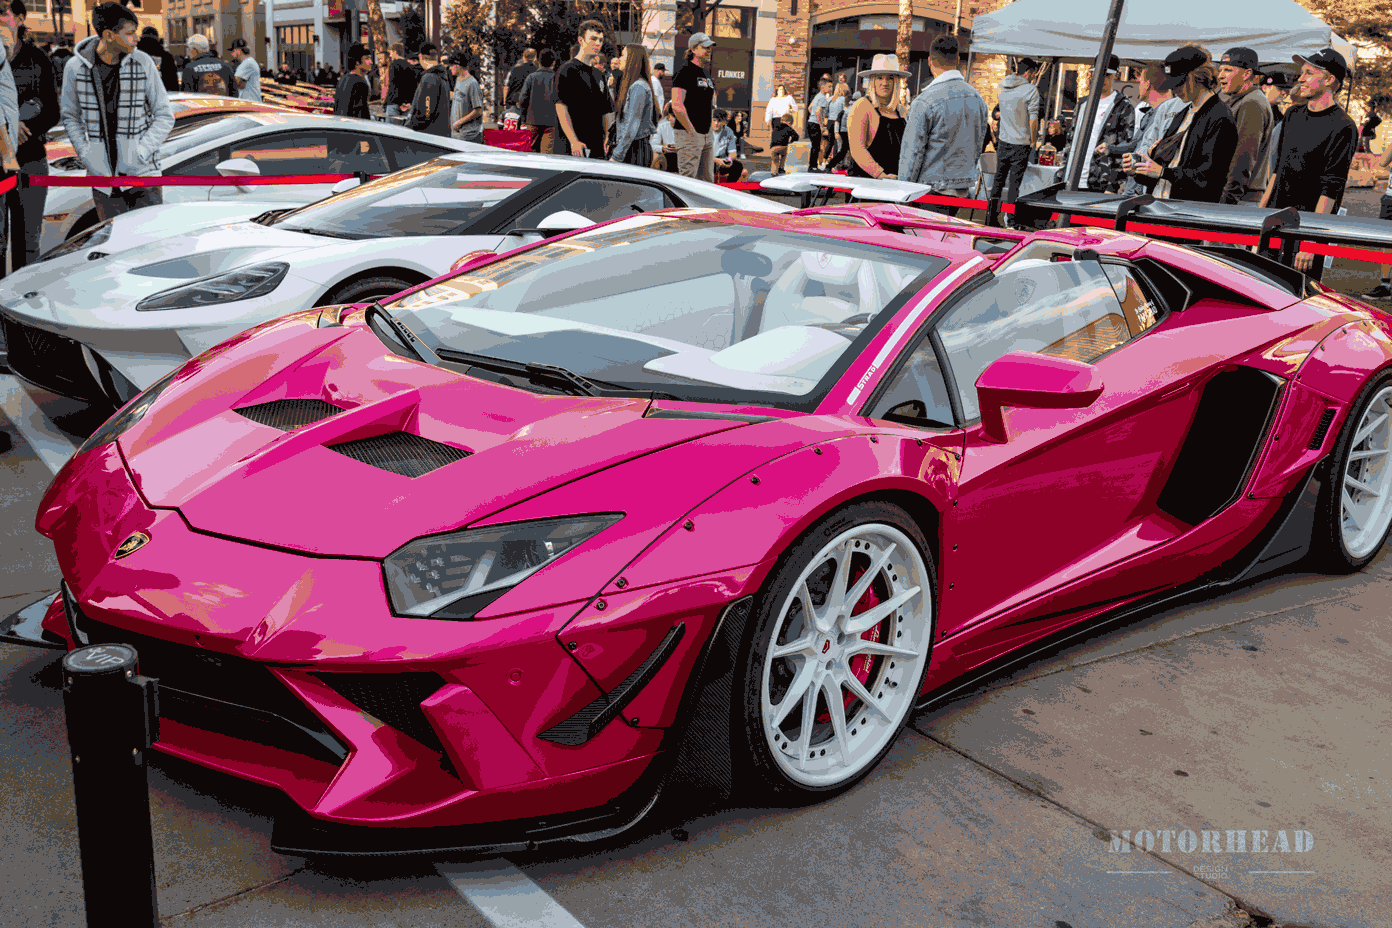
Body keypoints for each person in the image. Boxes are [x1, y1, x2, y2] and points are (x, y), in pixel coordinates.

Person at [59, 2, 173, 222]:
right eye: (129, 33)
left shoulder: (143, 62)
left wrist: (140, 153)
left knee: (149, 240)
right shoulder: (75, 67)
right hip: (103, 180)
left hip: (143, 177)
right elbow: (70, 116)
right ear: (109, 35)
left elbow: (164, 115)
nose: (136, 38)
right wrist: (86, 154)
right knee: (113, 242)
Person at [1259, 47, 1357, 280]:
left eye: (1309, 73)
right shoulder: (1292, 114)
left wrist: (1311, 240)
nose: (1300, 79)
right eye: (1301, 72)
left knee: (1297, 293)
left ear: (1330, 79)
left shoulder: (1344, 126)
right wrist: (1258, 218)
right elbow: (1277, 171)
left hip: (1306, 232)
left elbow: (1331, 189)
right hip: (1274, 223)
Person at [1131, 45, 1237, 203]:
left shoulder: (1219, 117)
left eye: (1178, 83)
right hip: (1162, 203)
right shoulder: (1184, 113)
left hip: (1188, 209)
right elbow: (1164, 167)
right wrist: (1138, 169)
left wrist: (1163, 172)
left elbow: (1209, 178)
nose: (1174, 90)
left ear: (1196, 77)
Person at [900, 34, 988, 210]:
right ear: (957, 59)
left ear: (930, 61)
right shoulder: (978, 99)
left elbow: (913, 153)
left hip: (930, 191)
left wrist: (902, 193)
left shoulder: (925, 101)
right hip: (962, 189)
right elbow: (978, 144)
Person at [3, 1, 55, 271]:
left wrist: (25, 128)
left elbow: (53, 110)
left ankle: (22, 293)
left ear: (20, 18)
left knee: (29, 242)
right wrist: (9, 126)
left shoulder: (38, 58)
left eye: (3, 12)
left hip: (31, 158)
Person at [1118, 63, 1189, 198]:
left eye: (1141, 81)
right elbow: (1140, 148)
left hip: (1158, 190)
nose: (1138, 85)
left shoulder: (1174, 110)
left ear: (1148, 84)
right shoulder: (1150, 113)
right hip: (1141, 186)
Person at [1216, 46, 1273, 203]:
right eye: (1220, 70)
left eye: (1227, 70)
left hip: (1240, 197)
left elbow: (1243, 157)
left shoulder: (1252, 103)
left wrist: (1228, 198)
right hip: (1236, 195)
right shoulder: (1238, 99)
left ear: (1247, 74)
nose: (1220, 76)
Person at [991, 56, 1040, 218]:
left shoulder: (1002, 85)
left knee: (998, 181)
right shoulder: (1031, 90)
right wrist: (1033, 140)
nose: (1033, 77)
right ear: (1028, 72)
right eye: (1033, 74)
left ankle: (990, 217)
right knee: (1014, 185)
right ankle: (1010, 220)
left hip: (1003, 141)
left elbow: (1000, 111)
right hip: (1021, 143)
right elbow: (1033, 119)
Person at [1078, 54, 1133, 192]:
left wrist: (1113, 185)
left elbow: (1125, 147)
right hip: (1074, 177)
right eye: (1098, 73)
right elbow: (1071, 140)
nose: (1101, 78)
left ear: (1115, 75)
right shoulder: (1083, 104)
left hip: (1102, 182)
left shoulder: (1123, 106)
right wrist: (1062, 172)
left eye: (1107, 75)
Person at [555, 20, 609, 157]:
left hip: (596, 147)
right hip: (572, 148)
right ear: (581, 40)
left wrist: (608, 137)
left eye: (601, 40)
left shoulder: (599, 75)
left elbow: (606, 110)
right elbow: (561, 107)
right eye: (593, 39)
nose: (598, 43)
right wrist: (573, 141)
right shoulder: (567, 70)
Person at [847, 54, 906, 179]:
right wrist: (881, 175)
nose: (885, 83)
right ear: (872, 80)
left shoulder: (901, 110)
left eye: (890, 78)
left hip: (896, 182)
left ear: (896, 82)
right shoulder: (862, 106)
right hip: (866, 182)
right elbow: (857, 149)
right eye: (879, 78)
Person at [671, 31, 716, 179]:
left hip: (706, 134)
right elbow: (677, 105)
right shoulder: (684, 72)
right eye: (705, 47)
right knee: (688, 179)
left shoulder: (706, 73)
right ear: (694, 49)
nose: (709, 51)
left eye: (710, 48)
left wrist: (709, 130)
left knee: (707, 181)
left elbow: (708, 104)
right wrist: (691, 131)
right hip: (689, 134)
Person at [610, 43, 657, 166]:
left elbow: (632, 125)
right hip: (632, 148)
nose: (619, 59)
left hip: (635, 151)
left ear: (632, 59)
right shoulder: (633, 85)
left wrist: (616, 155)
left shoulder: (638, 87)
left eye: (623, 55)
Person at [404, 42, 451, 136]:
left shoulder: (429, 78)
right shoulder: (442, 77)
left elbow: (426, 112)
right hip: (439, 133)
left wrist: (410, 126)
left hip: (427, 134)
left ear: (421, 56)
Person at [516, 48, 557, 153]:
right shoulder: (557, 78)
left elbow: (522, 99)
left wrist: (524, 117)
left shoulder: (531, 77)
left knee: (530, 151)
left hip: (532, 120)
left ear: (538, 61)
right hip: (551, 121)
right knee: (547, 153)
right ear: (553, 62)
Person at [448, 51, 482, 142]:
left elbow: (478, 111)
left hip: (468, 136)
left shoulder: (472, 83)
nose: (449, 68)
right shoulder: (458, 79)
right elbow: (460, 97)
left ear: (457, 65)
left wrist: (459, 122)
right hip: (457, 134)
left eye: (451, 65)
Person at [334, 43, 371, 119]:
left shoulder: (342, 80)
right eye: (367, 58)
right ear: (357, 62)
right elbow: (362, 113)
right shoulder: (360, 83)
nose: (371, 62)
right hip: (354, 125)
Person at [137, 26, 176, 91]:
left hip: (140, 91)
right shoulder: (166, 56)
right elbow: (172, 80)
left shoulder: (135, 55)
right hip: (162, 91)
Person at [806, 76, 830, 170]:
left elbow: (810, 107)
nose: (830, 88)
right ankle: (813, 167)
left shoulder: (817, 96)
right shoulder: (823, 97)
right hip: (815, 124)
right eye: (829, 86)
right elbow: (818, 111)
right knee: (816, 146)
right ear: (823, 87)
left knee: (814, 146)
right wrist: (821, 125)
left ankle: (812, 166)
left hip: (810, 122)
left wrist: (812, 116)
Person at [228, 36, 260, 103]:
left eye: (232, 51)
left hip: (251, 102)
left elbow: (236, 83)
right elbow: (242, 85)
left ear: (237, 51)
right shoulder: (249, 62)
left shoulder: (247, 63)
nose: (231, 54)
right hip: (251, 102)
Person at [824, 84, 849, 171]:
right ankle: (835, 164)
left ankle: (824, 160)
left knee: (830, 142)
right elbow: (844, 111)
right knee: (837, 143)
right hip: (838, 122)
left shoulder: (830, 99)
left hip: (830, 121)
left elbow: (826, 111)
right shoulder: (843, 99)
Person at [712, 108, 742, 180]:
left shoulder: (728, 131)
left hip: (722, 160)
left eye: (719, 121)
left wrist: (730, 159)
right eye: (714, 120)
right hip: (708, 160)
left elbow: (732, 151)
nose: (716, 123)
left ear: (724, 122)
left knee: (738, 166)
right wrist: (715, 160)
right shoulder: (707, 130)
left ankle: (729, 185)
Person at [656, 100, 678, 171]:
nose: (676, 119)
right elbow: (653, 145)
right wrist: (663, 148)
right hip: (667, 156)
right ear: (668, 116)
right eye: (674, 116)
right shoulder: (662, 126)